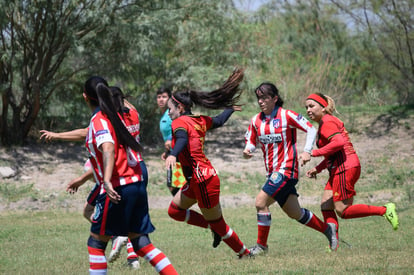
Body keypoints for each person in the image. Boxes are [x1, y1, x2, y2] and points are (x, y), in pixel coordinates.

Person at [83, 76, 177, 274]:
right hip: (136, 182)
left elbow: (107, 148)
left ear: (85, 97)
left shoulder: (100, 119)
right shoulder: (119, 114)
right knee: (142, 243)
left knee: (96, 244)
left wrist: (107, 181)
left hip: (118, 186)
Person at [40, 87, 142, 269]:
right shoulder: (133, 115)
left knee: (95, 230)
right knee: (128, 219)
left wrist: (57, 136)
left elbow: (100, 147)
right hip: (137, 171)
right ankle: (132, 257)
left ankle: (116, 239)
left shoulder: (108, 121)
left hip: (115, 175)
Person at [165, 68, 252, 258]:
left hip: (202, 179)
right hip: (196, 179)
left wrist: (173, 154)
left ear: (180, 108)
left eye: (170, 108)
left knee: (219, 223)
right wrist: (230, 109)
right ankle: (213, 227)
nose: (168, 112)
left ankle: (244, 253)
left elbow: (181, 140)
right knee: (174, 211)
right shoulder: (199, 120)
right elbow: (219, 121)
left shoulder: (179, 123)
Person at [243, 82, 338, 256]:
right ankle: (328, 230)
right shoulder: (256, 120)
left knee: (260, 202)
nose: (261, 101)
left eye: (265, 97)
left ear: (275, 98)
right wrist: (249, 149)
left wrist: (307, 151)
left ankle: (261, 246)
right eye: (259, 98)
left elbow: (311, 129)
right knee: (295, 212)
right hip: (272, 172)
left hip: (287, 169)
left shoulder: (287, 115)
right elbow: (251, 140)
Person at [304, 93, 399, 247]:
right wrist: (319, 168)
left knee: (342, 211)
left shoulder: (327, 121)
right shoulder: (325, 122)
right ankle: (333, 245)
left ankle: (384, 210)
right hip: (340, 167)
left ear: (323, 107)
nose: (308, 110)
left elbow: (338, 143)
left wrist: (312, 153)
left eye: (311, 106)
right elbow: (332, 151)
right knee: (326, 205)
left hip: (344, 167)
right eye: (306, 107)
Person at [157, 86, 185, 196]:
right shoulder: (165, 114)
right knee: (173, 185)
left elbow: (178, 128)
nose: (161, 99)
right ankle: (182, 210)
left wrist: (170, 140)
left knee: (176, 185)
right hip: (172, 152)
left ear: (169, 99)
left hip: (177, 153)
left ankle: (182, 211)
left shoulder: (171, 114)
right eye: (159, 97)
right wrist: (166, 151)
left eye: (164, 97)